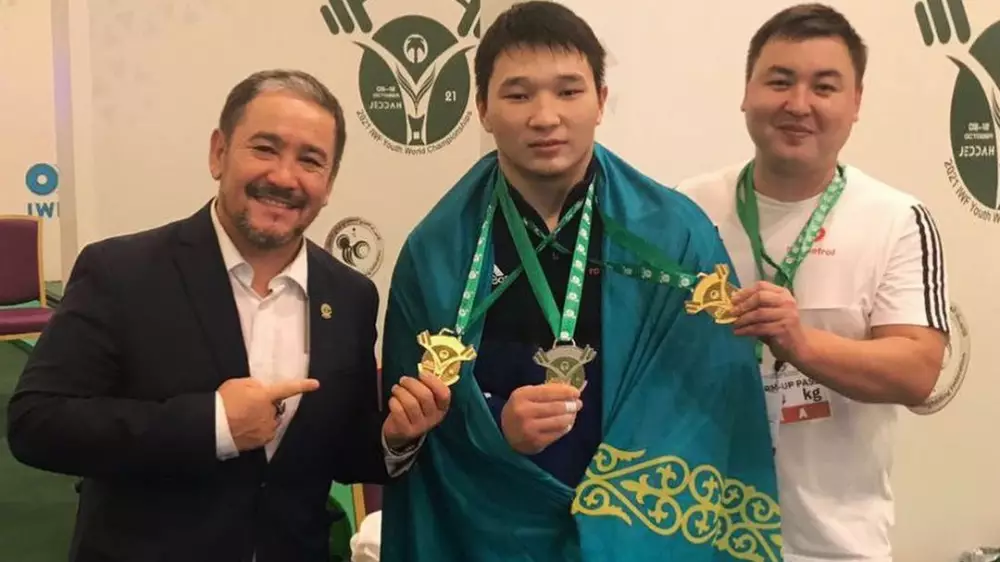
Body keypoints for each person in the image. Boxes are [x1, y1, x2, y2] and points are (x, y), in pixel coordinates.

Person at [377, 2, 781, 561]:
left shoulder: (673, 233)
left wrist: (612, 508)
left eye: (569, 91)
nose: (546, 117)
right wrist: (495, 424)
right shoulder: (437, 249)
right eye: (518, 95)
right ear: (483, 109)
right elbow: (410, 425)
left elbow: (710, 394)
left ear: (601, 101)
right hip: (485, 530)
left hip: (637, 531)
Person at [6, 69, 450, 562]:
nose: (283, 177)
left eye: (310, 160)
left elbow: (339, 449)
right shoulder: (121, 272)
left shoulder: (350, 297)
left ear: (328, 184)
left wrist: (393, 436)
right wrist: (214, 424)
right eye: (264, 149)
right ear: (219, 153)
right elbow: (36, 424)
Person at [677, 5, 950, 562]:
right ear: (747, 91)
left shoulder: (896, 219)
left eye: (824, 87)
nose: (798, 104)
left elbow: (918, 370)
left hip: (835, 547)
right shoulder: (688, 207)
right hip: (699, 536)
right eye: (780, 81)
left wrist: (799, 343)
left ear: (856, 103)